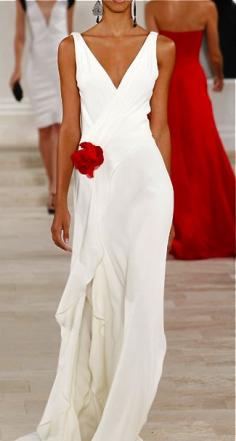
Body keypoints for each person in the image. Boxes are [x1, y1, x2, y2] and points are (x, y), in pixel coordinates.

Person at [15, 0, 175, 439]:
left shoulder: (162, 48)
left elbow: (160, 128)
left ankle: (124, 419)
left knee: (141, 302)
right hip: (96, 186)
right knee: (99, 295)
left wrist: (171, 204)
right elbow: (70, 126)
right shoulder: (72, 47)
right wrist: (60, 199)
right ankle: (99, 404)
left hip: (147, 187)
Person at [146, 0, 235, 260]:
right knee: (202, 149)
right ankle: (209, 221)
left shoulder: (153, 7)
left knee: (170, 153)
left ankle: (172, 225)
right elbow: (215, 54)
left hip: (165, 85)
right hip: (192, 81)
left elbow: (151, 53)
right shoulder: (206, 7)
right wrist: (218, 75)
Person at [10, 0, 75, 214]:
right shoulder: (23, 1)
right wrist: (17, 68)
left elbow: (70, 36)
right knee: (45, 129)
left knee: (59, 127)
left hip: (61, 70)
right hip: (37, 71)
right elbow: (20, 37)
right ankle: (52, 184)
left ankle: (57, 189)